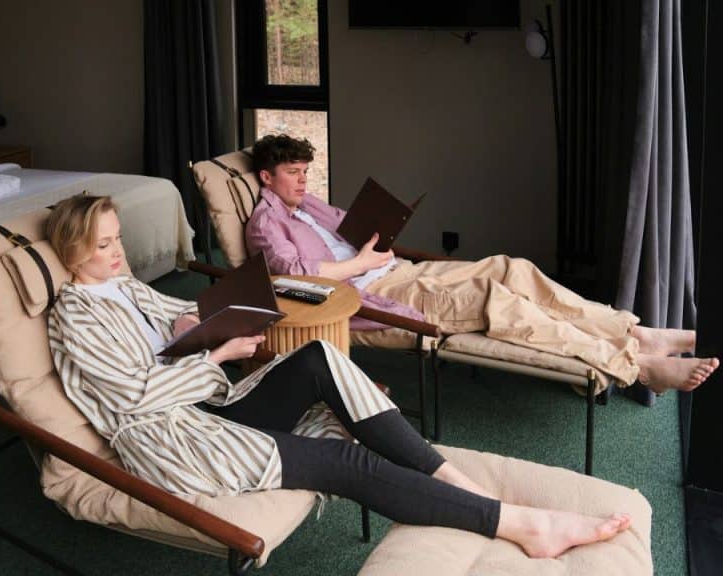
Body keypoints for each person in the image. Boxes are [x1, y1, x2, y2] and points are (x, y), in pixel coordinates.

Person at [45, 194, 633, 559]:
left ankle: (457, 483)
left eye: (118, 238)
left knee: (321, 359)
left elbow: (162, 330)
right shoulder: (73, 314)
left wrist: (195, 319)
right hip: (174, 435)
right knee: (346, 463)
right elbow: (131, 397)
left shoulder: (120, 285)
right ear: (73, 254)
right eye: (103, 246)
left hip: (208, 400)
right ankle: (519, 524)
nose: (118, 252)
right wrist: (217, 355)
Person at [244, 134, 719, 394]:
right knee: (497, 300)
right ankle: (635, 365)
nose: (304, 181)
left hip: (398, 271)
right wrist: (364, 262)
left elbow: (349, 229)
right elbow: (297, 276)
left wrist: (379, 235)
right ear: (267, 177)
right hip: (373, 297)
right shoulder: (267, 223)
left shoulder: (307, 206)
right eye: (293, 173)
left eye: (306, 171)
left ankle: (630, 330)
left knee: (511, 269)